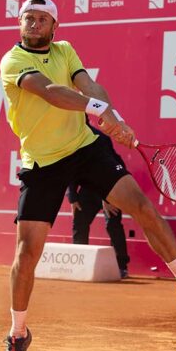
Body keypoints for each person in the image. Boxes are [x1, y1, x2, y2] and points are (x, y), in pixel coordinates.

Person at [0, 0, 176, 351]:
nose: (34, 24)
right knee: (27, 251)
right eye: (28, 18)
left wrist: (115, 119)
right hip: (41, 162)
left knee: (140, 203)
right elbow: (52, 94)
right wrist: (97, 111)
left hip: (85, 149)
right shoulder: (14, 61)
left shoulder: (66, 50)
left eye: (42, 19)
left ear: (55, 27)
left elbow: (90, 86)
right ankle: (17, 334)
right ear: (21, 24)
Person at [68, 116, 131, 279]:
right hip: (88, 190)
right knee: (79, 221)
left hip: (110, 187)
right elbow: (70, 170)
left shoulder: (99, 138)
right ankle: (79, 264)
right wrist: (73, 198)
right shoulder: (70, 140)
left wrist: (108, 197)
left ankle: (121, 266)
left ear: (83, 121)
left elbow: (113, 165)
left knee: (113, 224)